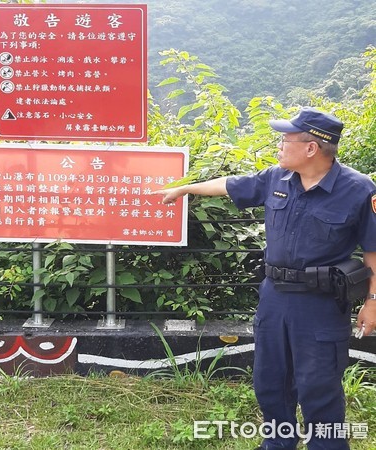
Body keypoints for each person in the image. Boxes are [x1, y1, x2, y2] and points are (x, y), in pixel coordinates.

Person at [153, 107, 376, 450]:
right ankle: (278, 444)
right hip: (274, 299)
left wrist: (372, 301)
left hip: (320, 303)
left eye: (286, 139)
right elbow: (230, 185)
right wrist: (185, 190)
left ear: (311, 148)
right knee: (270, 382)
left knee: (319, 386)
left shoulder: (359, 190)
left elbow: (374, 251)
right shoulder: (276, 177)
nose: (279, 146)